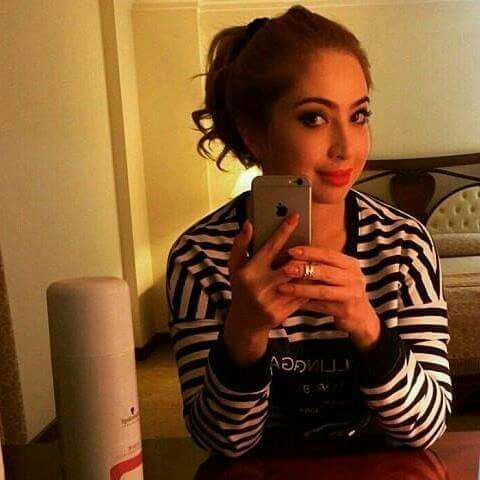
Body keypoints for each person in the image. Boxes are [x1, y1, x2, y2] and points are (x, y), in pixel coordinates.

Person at [165, 5, 452, 458]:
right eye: (314, 118)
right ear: (254, 133)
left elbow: (426, 429)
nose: (346, 147)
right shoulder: (200, 258)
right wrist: (245, 332)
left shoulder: (404, 246)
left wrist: (365, 324)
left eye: (358, 115)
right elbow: (224, 443)